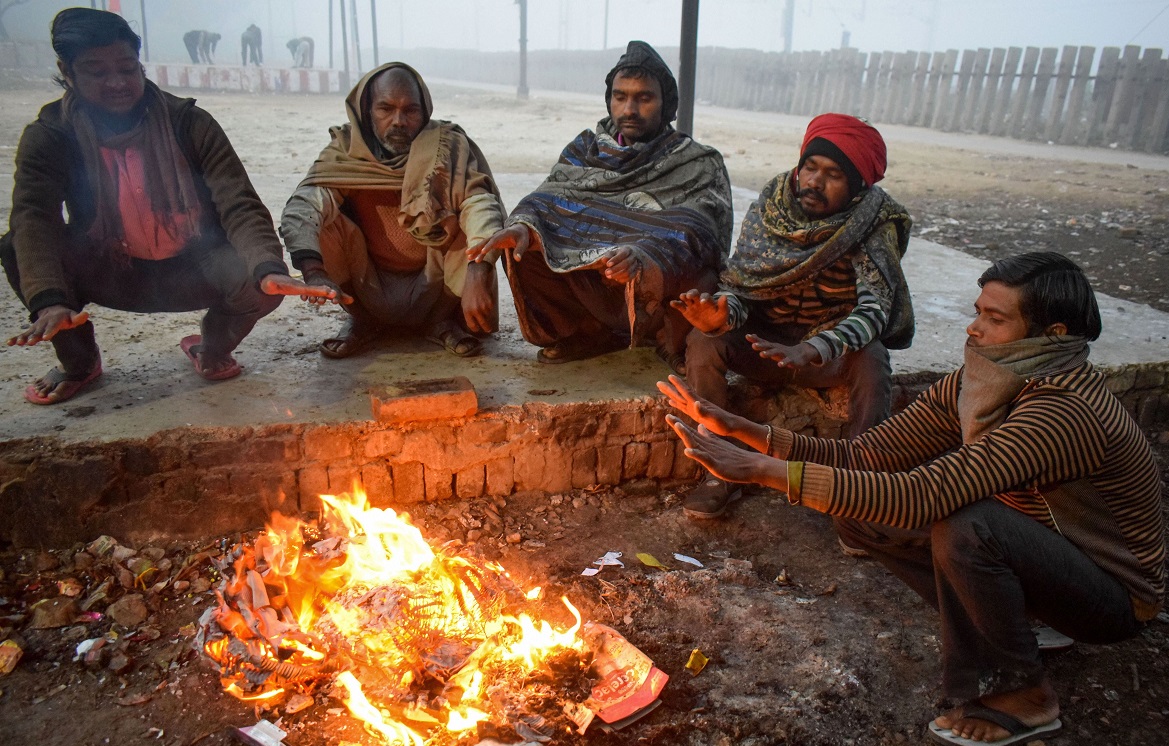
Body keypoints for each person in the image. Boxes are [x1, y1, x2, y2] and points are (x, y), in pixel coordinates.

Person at [661, 252, 1164, 746]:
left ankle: (1028, 694)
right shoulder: (985, 379)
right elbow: (871, 454)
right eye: (977, 311)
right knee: (858, 512)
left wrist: (762, 473)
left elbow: (924, 497)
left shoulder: (1062, 411)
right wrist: (753, 436)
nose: (972, 329)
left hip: (1111, 598)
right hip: (1045, 554)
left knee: (969, 526)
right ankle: (1015, 623)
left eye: (995, 319)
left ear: (1052, 335)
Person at [2, 8, 335, 404]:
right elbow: (34, 219)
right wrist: (49, 299)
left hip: (193, 262)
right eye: (97, 72)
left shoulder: (189, 123)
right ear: (67, 71)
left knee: (258, 276)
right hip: (108, 265)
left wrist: (267, 267)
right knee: (15, 248)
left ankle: (211, 347)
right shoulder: (51, 136)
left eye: (127, 68)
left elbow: (239, 204)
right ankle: (79, 362)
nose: (117, 83)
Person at [671, 113, 913, 519]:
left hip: (827, 350)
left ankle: (859, 486)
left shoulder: (873, 221)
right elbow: (745, 284)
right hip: (762, 344)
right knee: (703, 342)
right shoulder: (773, 206)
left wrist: (814, 347)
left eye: (833, 174)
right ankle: (719, 470)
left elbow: (876, 310)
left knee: (872, 359)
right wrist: (723, 315)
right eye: (810, 167)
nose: (815, 181)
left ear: (858, 185)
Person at [467, 40, 732, 369]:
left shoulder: (696, 162)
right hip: (595, 289)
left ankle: (671, 342)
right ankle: (588, 332)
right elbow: (547, 199)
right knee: (524, 242)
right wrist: (524, 226)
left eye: (644, 98)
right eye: (620, 97)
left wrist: (643, 254)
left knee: (700, 271)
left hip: (655, 298)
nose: (629, 110)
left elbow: (700, 231)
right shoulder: (585, 149)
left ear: (666, 103)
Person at [278, 63, 504, 358]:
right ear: (366, 110)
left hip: (436, 285)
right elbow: (303, 206)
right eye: (385, 109)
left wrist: (478, 268)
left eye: (410, 110)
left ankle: (440, 322)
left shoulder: (446, 147)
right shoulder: (345, 151)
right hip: (366, 284)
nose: (398, 121)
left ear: (425, 112)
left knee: (472, 220)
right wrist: (314, 271)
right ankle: (362, 321)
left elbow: (481, 204)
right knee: (322, 223)